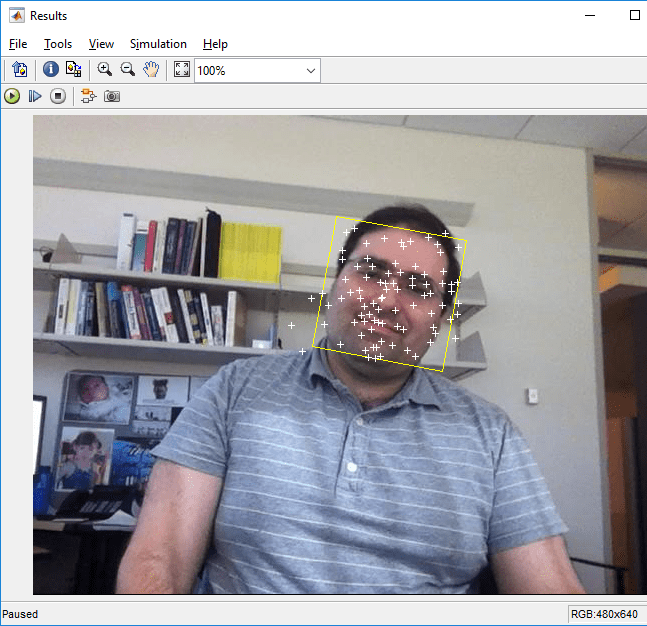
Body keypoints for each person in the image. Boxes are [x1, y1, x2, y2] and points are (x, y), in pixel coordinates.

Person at [116, 204, 585, 594]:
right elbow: (160, 556)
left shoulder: (491, 434)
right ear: (335, 282)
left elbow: (550, 591)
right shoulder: (235, 389)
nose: (387, 301)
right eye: (371, 273)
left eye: (418, 289)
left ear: (440, 319)